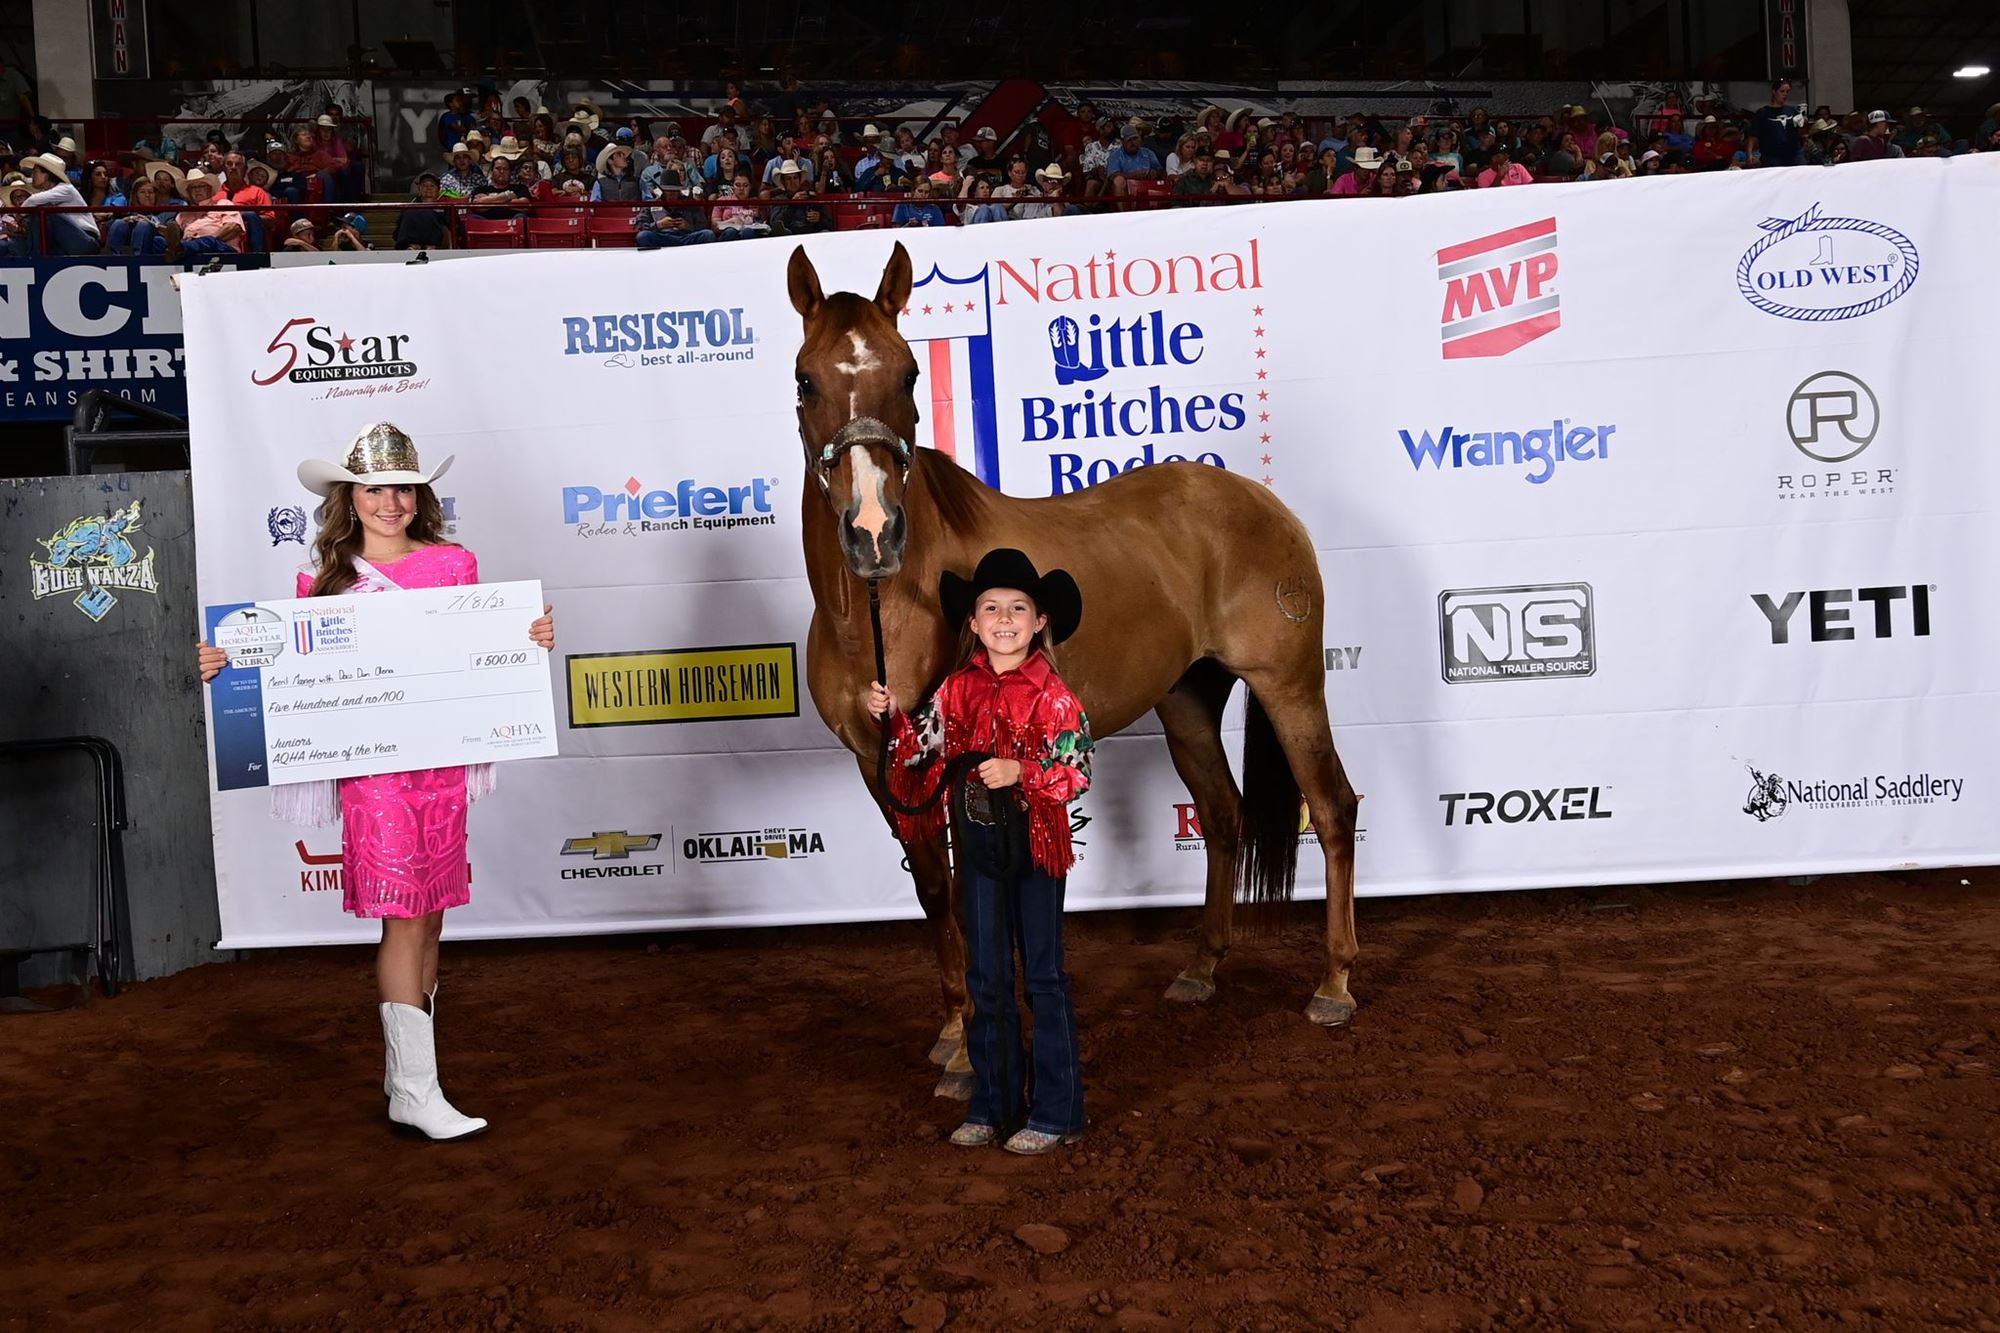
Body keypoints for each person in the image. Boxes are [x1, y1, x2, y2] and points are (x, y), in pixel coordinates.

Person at [195, 423, 556, 1142]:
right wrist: (227, 664)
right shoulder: (323, 579)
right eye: (373, 489)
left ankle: (406, 1081)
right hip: (376, 771)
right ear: (348, 497)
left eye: (401, 488)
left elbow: (477, 653)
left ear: (418, 494)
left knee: (433, 913)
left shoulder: (454, 565)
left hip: (440, 765)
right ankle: (418, 1091)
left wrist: (528, 640)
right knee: (406, 914)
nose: (388, 502)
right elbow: (286, 671)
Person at [866, 549, 1093, 1156]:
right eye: (991, 607)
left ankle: (1057, 1111)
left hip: (1036, 849)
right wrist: (893, 722)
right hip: (980, 848)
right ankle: (992, 1105)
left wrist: (1020, 769)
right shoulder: (956, 690)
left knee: (1043, 976)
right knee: (987, 975)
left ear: (1039, 621)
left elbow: (1075, 769)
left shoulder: (1054, 694)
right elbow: (922, 753)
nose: (1004, 618)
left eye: (1018, 608)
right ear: (972, 623)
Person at [19, 152, 100, 255]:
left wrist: (19, 214)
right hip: (64, 242)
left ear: (47, 175)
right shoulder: (46, 194)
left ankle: (36, 257)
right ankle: (34, 257)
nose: (32, 175)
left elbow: (32, 200)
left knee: (46, 212)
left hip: (84, 239)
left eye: (35, 171)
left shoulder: (66, 189)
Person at [1749, 79, 1806, 168]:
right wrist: (1749, 154)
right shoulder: (1763, 113)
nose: (1785, 94)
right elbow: (1753, 135)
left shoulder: (1792, 111)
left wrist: (1802, 124)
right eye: (1782, 91)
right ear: (1774, 92)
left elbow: (1800, 133)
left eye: (1787, 91)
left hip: (1793, 154)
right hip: (1772, 156)